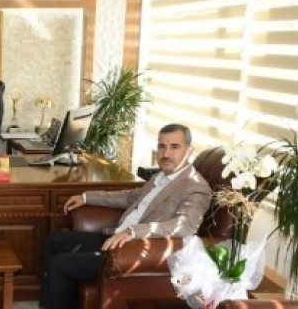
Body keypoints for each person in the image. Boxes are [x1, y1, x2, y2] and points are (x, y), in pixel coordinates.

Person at [38, 123, 212, 309]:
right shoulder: (161, 176)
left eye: (175, 147)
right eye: (162, 146)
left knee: (60, 265)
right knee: (53, 241)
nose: (166, 153)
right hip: (115, 238)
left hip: (131, 250)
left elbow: (185, 226)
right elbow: (131, 197)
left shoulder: (195, 187)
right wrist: (86, 197)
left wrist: (134, 232)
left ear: (189, 150)